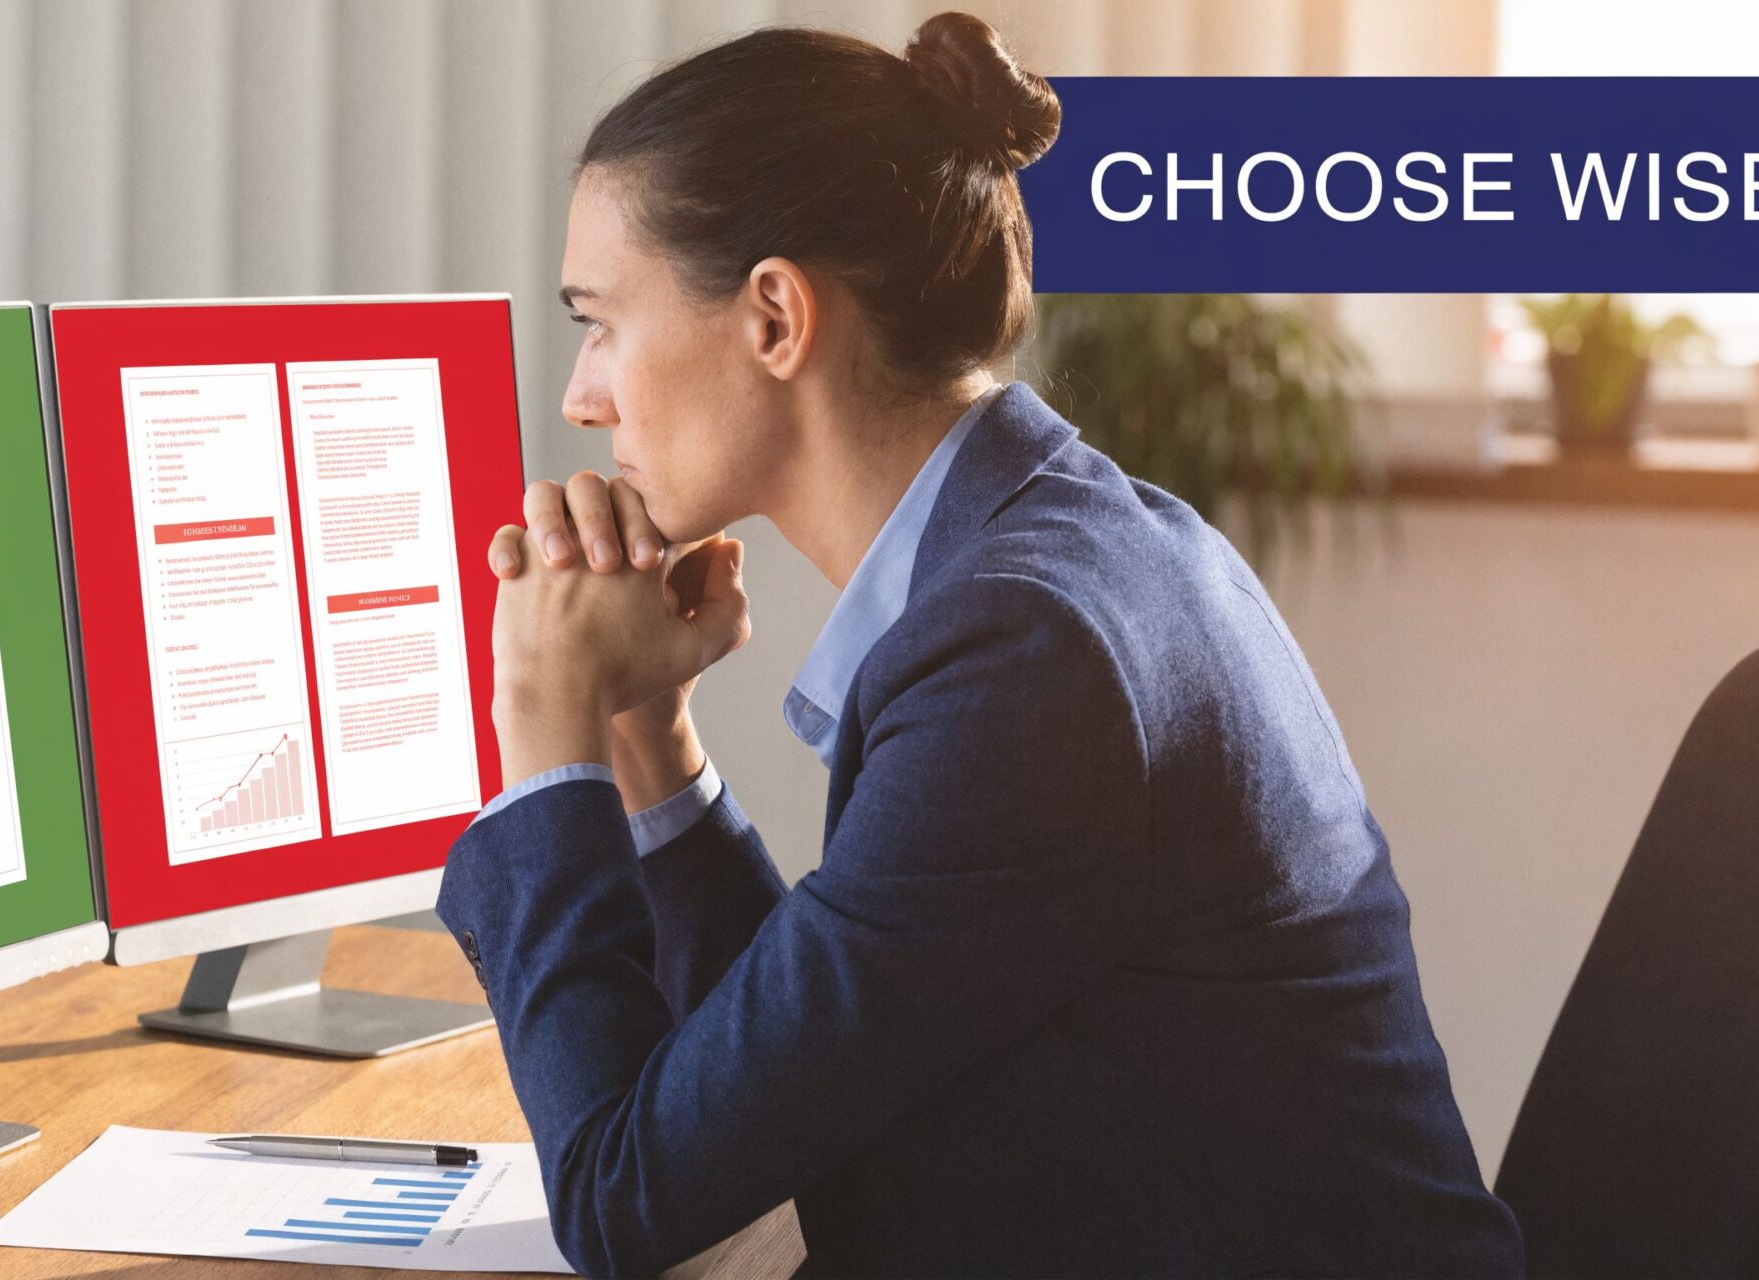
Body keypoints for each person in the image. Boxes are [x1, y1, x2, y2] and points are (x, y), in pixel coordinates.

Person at [435, 13, 1525, 1277]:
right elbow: (803, 1075)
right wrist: (644, 740)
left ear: (777, 318)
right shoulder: (1061, 555)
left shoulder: (1027, 658)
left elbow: (624, 1200)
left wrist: (544, 723)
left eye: (602, 321)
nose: (581, 394)